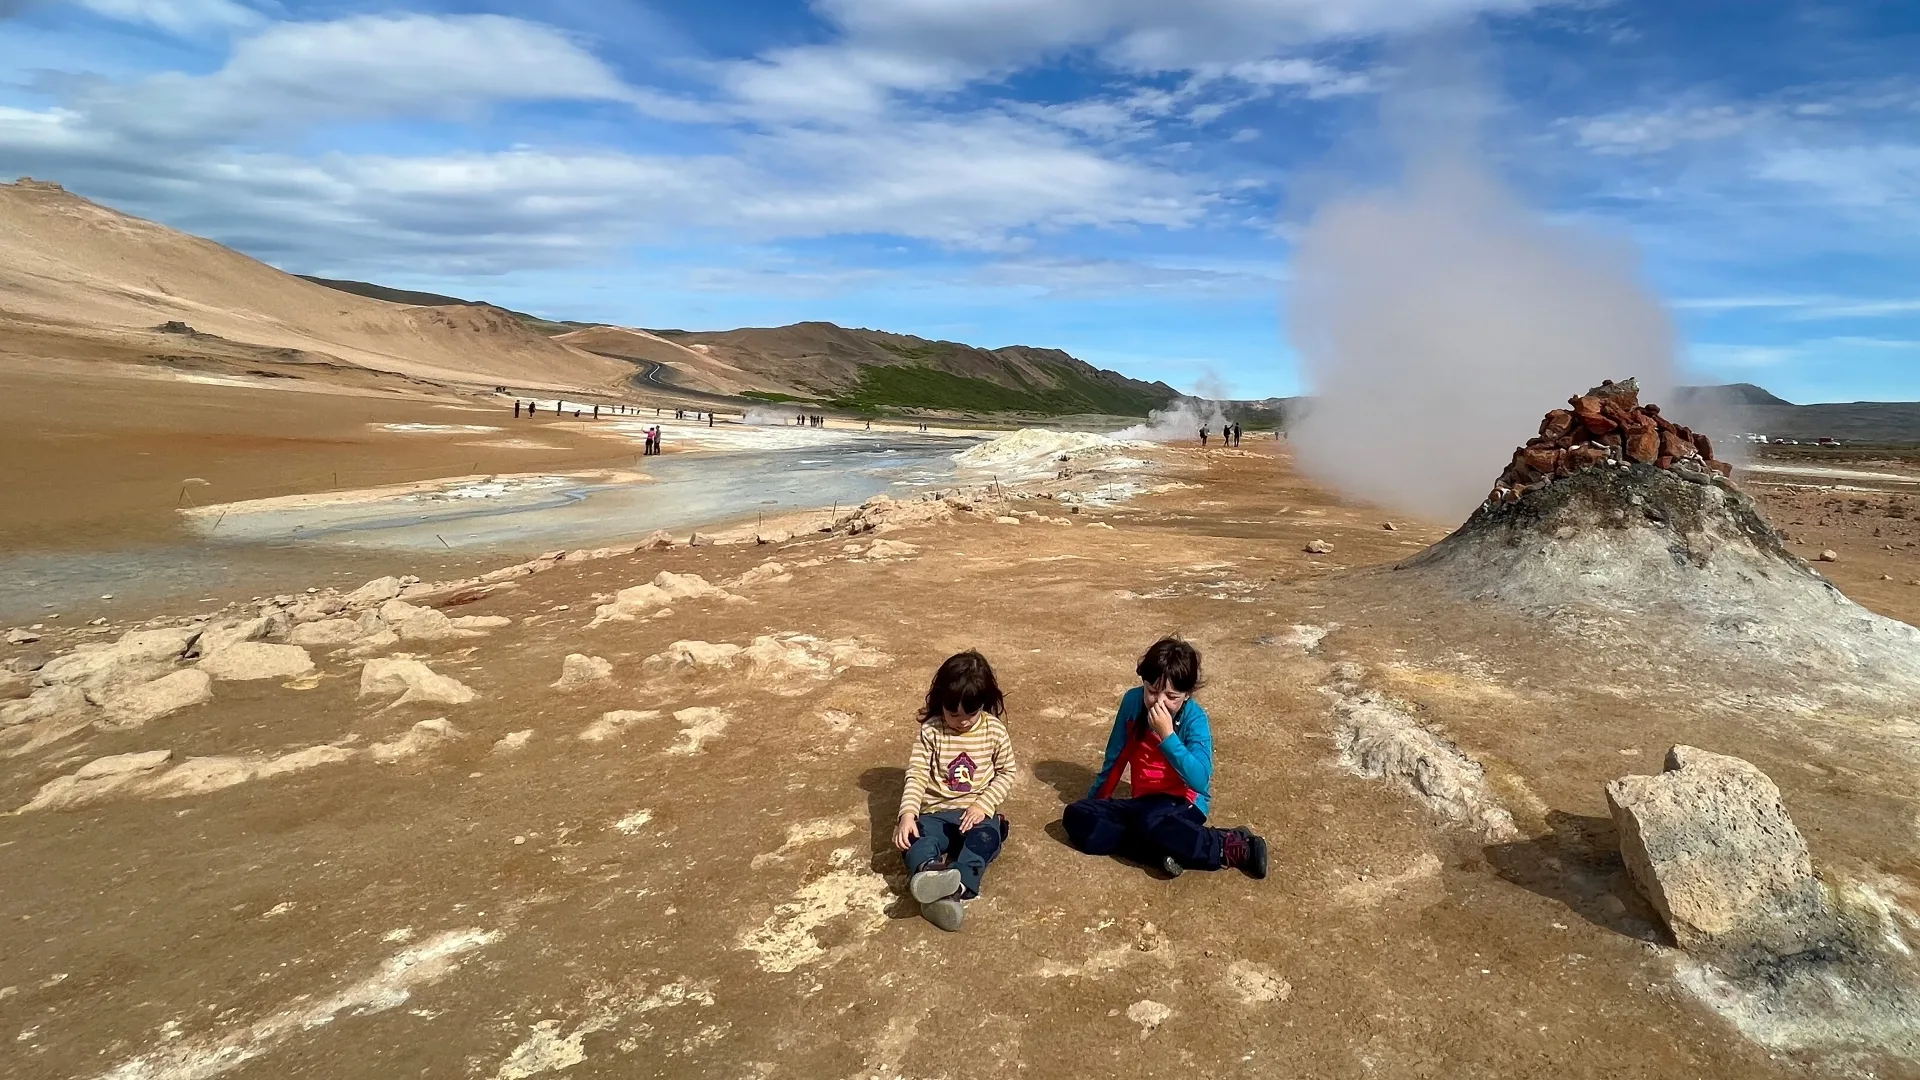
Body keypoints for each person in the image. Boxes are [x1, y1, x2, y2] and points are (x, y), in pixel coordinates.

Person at [1062, 637, 1268, 880]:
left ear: (1187, 695)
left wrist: (1167, 735)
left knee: (1149, 822)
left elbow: (1200, 781)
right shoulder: (1132, 702)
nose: (1159, 702)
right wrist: (1098, 802)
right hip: (1144, 804)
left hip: (1183, 802)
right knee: (1077, 815)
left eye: (1171, 696)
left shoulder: (1195, 719)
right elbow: (1116, 758)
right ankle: (1163, 852)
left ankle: (1230, 846)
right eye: (1152, 691)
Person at [894, 650, 1017, 932]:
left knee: (987, 837)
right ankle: (929, 874)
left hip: (974, 814)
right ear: (941, 703)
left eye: (970, 714)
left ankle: (957, 887)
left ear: (984, 703)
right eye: (953, 713)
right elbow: (916, 774)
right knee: (912, 839)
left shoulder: (994, 732)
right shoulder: (931, 732)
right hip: (935, 813)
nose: (961, 721)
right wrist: (908, 814)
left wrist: (983, 805)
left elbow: (1007, 772)